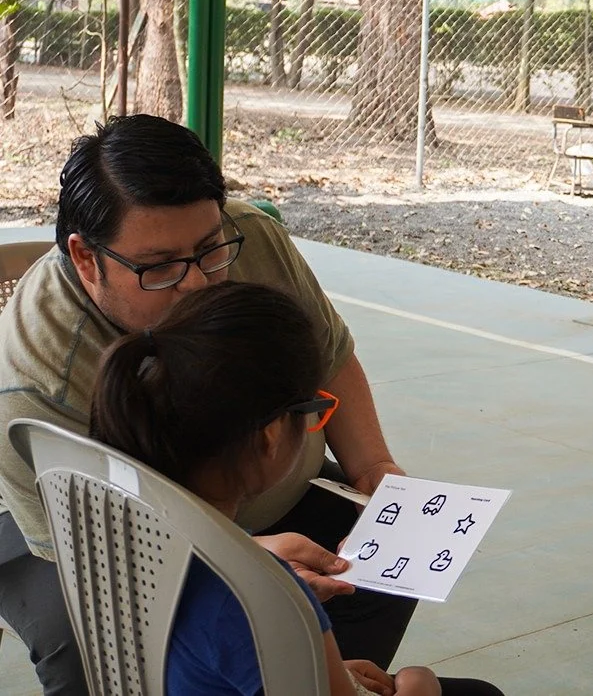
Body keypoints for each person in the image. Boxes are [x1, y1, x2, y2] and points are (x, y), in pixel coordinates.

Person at [0, 114, 413, 694]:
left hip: (237, 491)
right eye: (159, 266)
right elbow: (89, 552)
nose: (198, 282)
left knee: (384, 567)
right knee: (95, 660)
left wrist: (376, 471)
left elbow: (326, 353)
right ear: (87, 259)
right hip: (70, 539)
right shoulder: (36, 378)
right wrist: (237, 563)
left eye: (209, 248)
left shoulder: (250, 236)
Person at [90, 281, 501, 696]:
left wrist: (331, 671)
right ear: (270, 437)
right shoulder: (269, 597)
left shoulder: (127, 545)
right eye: (313, 410)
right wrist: (419, 687)